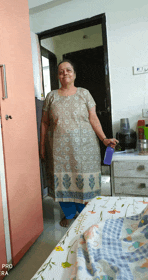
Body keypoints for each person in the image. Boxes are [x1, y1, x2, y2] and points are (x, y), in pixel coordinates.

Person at [40, 60, 118, 227]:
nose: (65, 73)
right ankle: (68, 214)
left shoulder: (84, 93)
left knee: (83, 181)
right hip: (58, 150)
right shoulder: (51, 96)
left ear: (74, 74)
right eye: (61, 71)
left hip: (84, 148)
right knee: (62, 182)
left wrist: (104, 139)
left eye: (68, 70)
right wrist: (41, 145)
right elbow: (45, 122)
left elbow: (93, 118)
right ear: (57, 76)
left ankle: (84, 215)